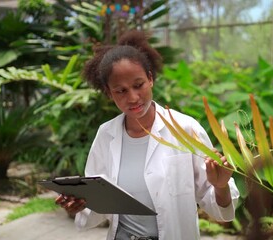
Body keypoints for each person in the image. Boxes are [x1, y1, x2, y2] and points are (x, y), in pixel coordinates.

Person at [55, 30, 239, 240]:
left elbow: (219, 209)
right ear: (109, 92)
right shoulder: (106, 134)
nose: (133, 98)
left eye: (138, 85)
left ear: (150, 79)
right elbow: (97, 199)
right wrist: (78, 205)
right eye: (121, 91)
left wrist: (221, 185)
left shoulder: (186, 129)